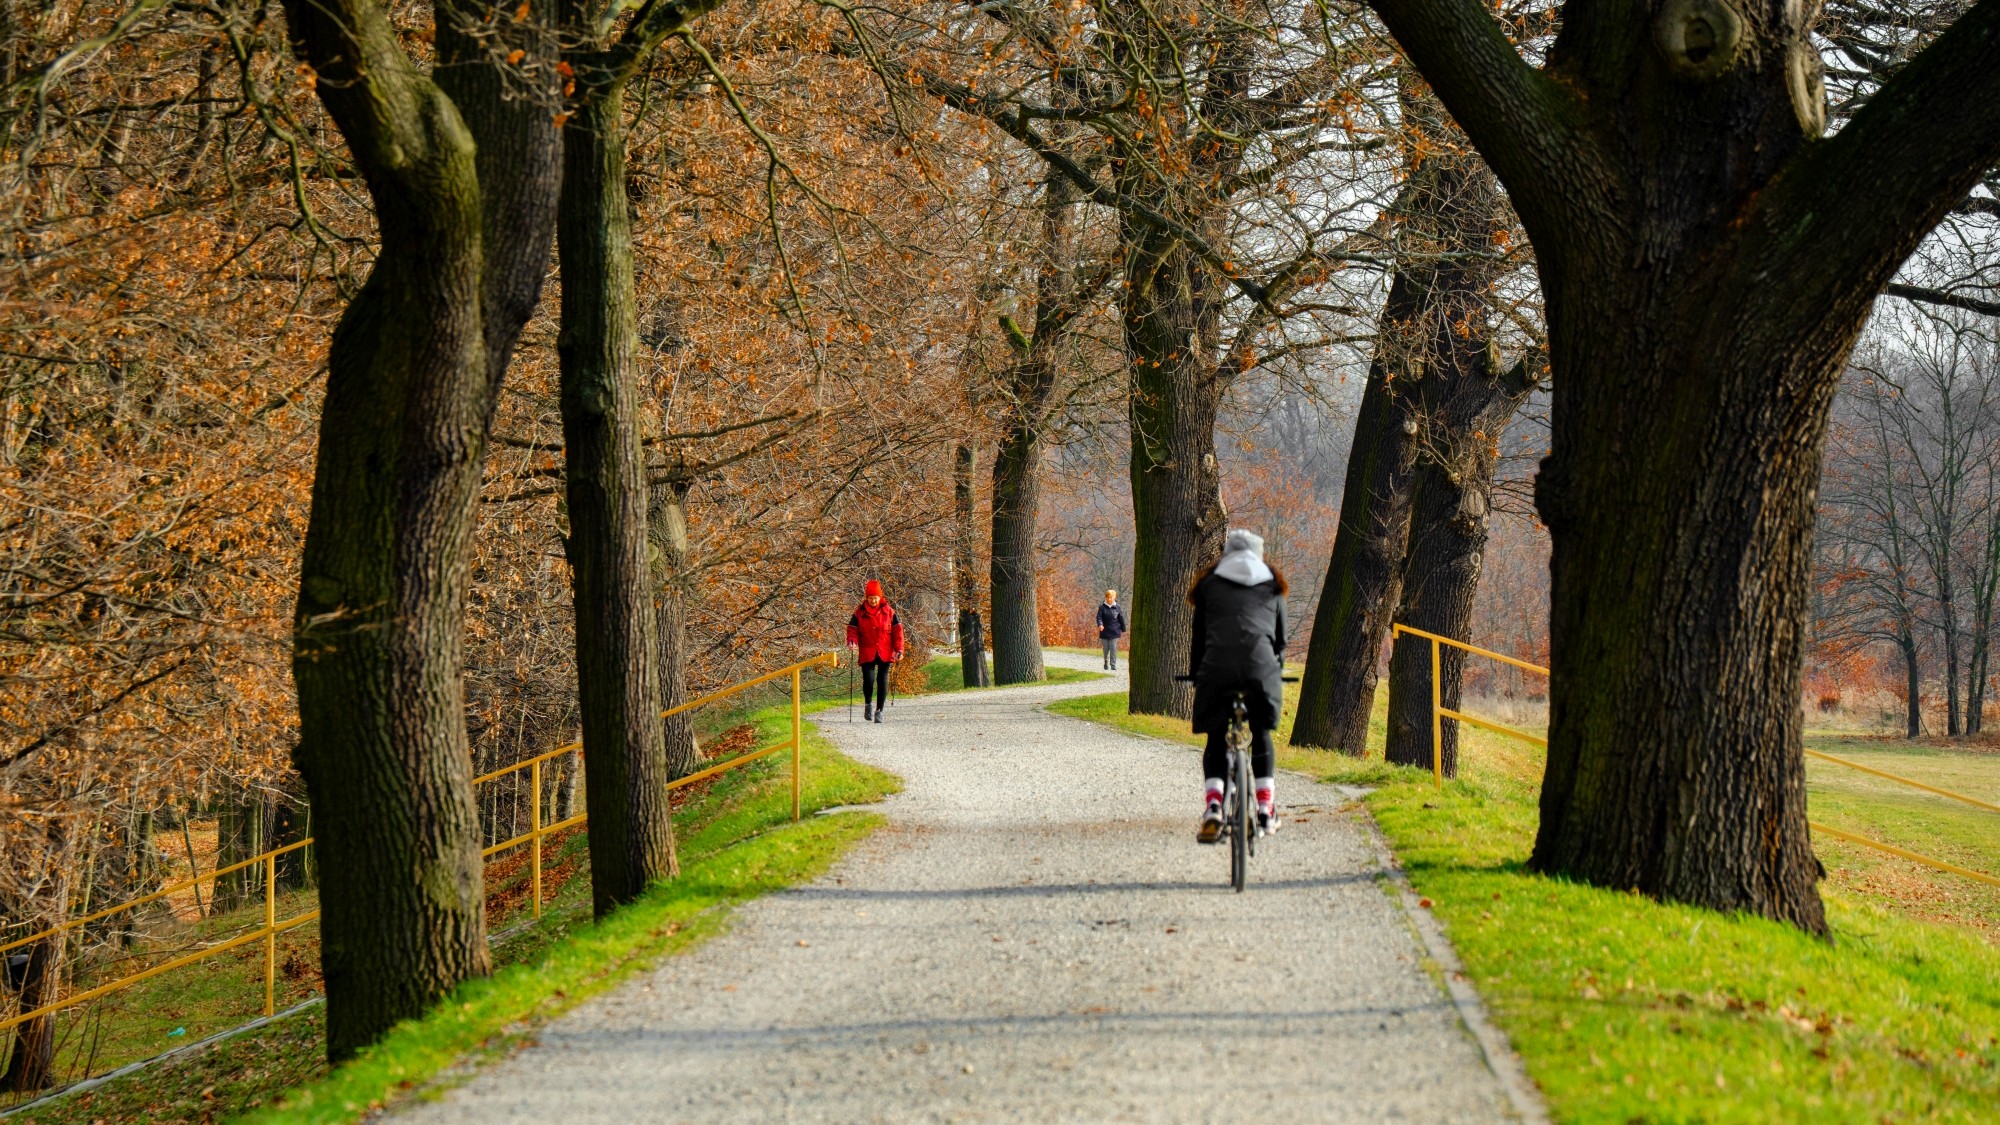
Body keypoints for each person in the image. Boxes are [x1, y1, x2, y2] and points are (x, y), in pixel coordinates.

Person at [1188, 530, 1286, 842]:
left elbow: (1199, 640)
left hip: (1216, 670)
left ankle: (1214, 807)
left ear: (1226, 554)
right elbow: (1280, 641)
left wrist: (1196, 675)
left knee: (1217, 734)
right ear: (1259, 554)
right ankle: (1265, 809)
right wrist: (1275, 672)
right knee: (1261, 734)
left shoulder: (1209, 584)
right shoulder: (1273, 584)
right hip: (1261, 670)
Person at [846, 579, 905, 723]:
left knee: (882, 680)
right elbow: (852, 630)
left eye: (875, 598)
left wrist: (899, 650)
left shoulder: (889, 612)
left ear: (880, 597)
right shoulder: (859, 613)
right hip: (867, 650)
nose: (873, 601)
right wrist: (852, 641)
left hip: (885, 650)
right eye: (870, 598)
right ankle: (868, 704)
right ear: (866, 598)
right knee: (869, 680)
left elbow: (898, 632)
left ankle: (879, 711)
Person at [1095, 589, 1127, 670]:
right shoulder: (1102, 607)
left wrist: (1123, 629)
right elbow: (1099, 617)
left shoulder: (1117, 607)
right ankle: (1106, 662)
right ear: (1105, 598)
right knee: (1106, 648)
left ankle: (1113, 664)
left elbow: (1121, 618)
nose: (1109, 599)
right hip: (1104, 631)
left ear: (1114, 597)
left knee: (1113, 647)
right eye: (1108, 597)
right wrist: (1100, 625)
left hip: (1115, 631)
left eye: (1111, 597)